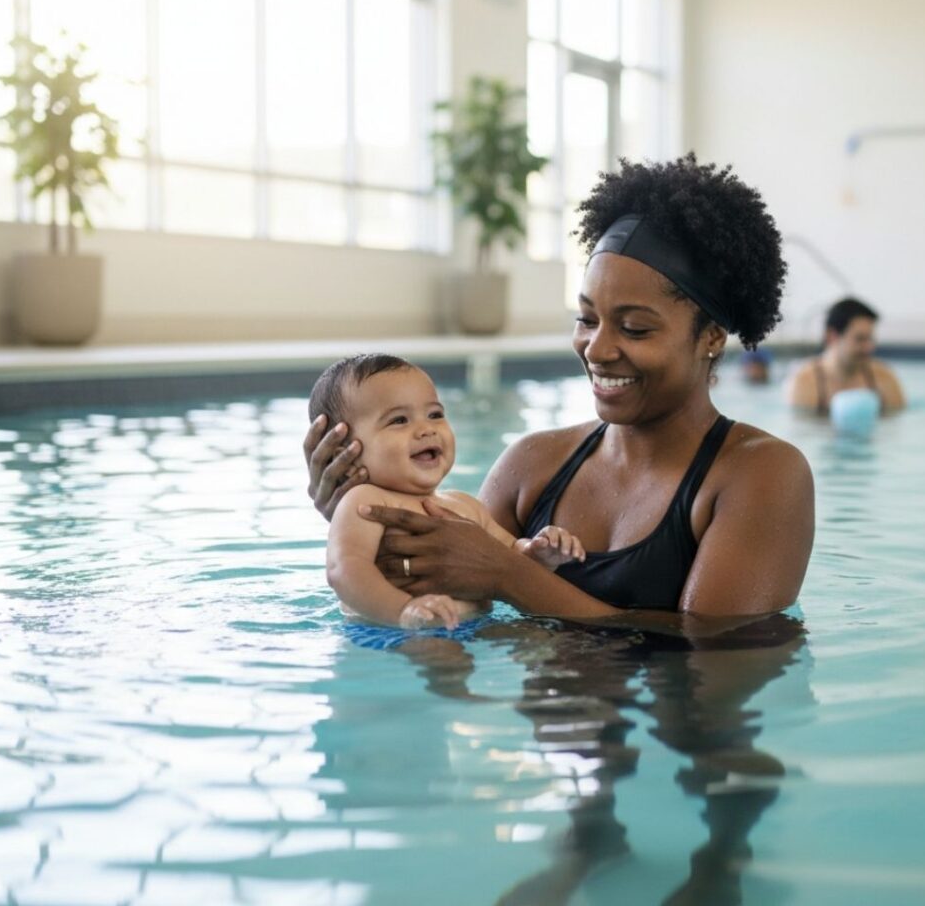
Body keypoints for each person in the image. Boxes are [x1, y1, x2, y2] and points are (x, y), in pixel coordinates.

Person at [304, 154, 814, 632]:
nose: (597, 349)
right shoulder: (532, 465)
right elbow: (449, 598)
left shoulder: (761, 474)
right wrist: (364, 516)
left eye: (634, 328)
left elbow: (718, 655)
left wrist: (509, 575)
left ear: (711, 338)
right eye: (586, 319)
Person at [309, 353, 585, 631]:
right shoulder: (365, 502)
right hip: (397, 633)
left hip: (477, 626)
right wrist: (403, 610)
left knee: (541, 640)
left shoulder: (464, 505)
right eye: (399, 420)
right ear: (346, 452)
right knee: (438, 651)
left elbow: (510, 558)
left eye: (435, 414)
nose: (426, 429)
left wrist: (538, 553)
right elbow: (344, 570)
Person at [785, 297, 905, 414]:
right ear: (832, 337)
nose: (869, 347)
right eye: (860, 339)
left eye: (870, 339)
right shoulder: (805, 383)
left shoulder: (884, 380)